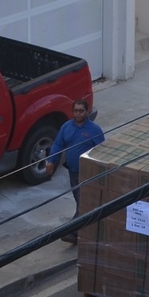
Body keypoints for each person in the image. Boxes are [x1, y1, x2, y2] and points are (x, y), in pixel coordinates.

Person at [48, 99, 104, 244]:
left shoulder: (94, 130)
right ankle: (80, 230)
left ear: (87, 112)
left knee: (83, 204)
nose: (78, 114)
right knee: (81, 202)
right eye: (75, 111)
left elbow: (102, 151)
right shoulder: (66, 127)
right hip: (73, 172)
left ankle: (70, 232)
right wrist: (51, 161)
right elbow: (58, 144)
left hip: (87, 173)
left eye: (81, 111)